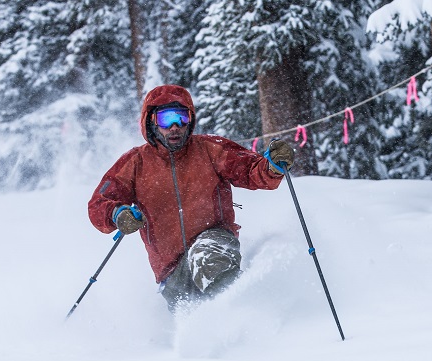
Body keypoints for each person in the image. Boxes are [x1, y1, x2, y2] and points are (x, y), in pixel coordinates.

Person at [88, 84, 294, 312]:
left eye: (182, 117)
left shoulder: (209, 149)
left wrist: (272, 167)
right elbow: (99, 204)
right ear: (152, 122)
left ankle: (253, 316)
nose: (175, 127)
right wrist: (118, 214)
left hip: (214, 240)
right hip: (171, 270)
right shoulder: (136, 163)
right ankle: (222, 339)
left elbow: (251, 170)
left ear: (190, 119)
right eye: (166, 119)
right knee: (193, 316)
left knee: (206, 260)